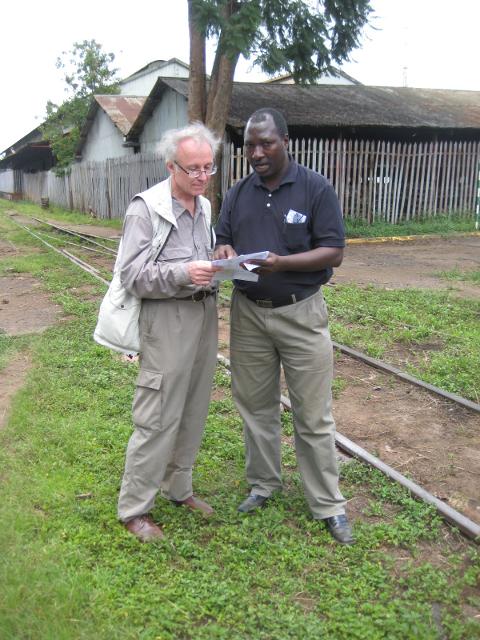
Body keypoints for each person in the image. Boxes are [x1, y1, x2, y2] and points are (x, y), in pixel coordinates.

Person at [214, 108, 354, 544]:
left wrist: (282, 263)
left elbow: (333, 251)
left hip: (301, 313)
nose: (256, 152)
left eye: (265, 143)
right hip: (249, 313)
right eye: (250, 145)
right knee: (255, 406)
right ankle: (264, 484)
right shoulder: (239, 193)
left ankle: (327, 504)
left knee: (312, 414)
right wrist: (224, 250)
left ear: (286, 140)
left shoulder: (315, 188)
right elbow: (222, 238)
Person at [117, 122, 221, 542]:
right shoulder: (147, 208)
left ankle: (179, 489)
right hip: (166, 321)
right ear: (170, 166)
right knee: (157, 415)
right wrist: (183, 273)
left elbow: (202, 258)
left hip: (204, 316)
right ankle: (135, 509)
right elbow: (131, 275)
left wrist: (220, 262)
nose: (201, 177)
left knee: (194, 407)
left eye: (208, 168)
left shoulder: (205, 207)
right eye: (192, 169)